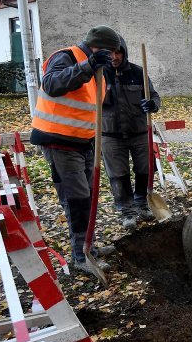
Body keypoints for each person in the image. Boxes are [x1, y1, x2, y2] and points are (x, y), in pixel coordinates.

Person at [30, 25, 120, 275]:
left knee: (89, 197)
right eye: (111, 51)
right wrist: (88, 65)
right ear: (97, 46)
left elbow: (94, 103)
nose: (113, 57)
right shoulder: (66, 57)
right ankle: (80, 254)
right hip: (59, 140)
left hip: (83, 141)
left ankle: (88, 244)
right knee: (77, 198)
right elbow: (52, 84)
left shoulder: (99, 69)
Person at [100, 35, 160, 229]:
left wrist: (152, 104)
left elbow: (155, 97)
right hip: (110, 135)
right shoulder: (98, 75)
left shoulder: (138, 73)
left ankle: (142, 203)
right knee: (118, 175)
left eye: (118, 52)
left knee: (145, 169)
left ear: (124, 52)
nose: (114, 56)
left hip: (139, 132)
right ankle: (127, 212)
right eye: (110, 52)